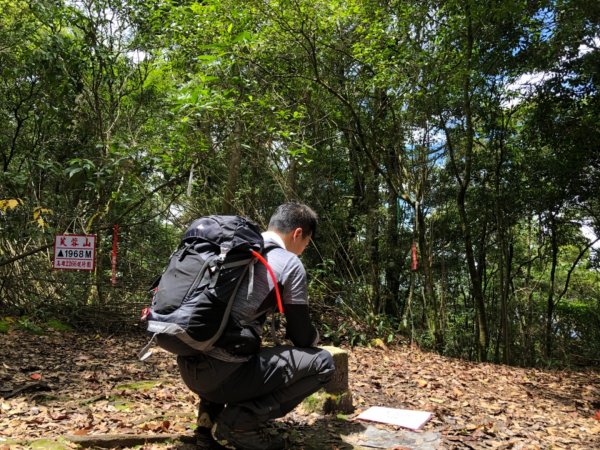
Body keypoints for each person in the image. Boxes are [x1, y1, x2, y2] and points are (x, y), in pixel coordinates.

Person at [177, 202, 335, 450]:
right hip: (223, 375)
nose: (303, 250)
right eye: (306, 243)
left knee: (226, 335)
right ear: (297, 233)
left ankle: (205, 428)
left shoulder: (230, 249)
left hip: (188, 364)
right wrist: (315, 339)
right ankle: (240, 423)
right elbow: (300, 335)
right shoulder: (289, 264)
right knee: (324, 363)